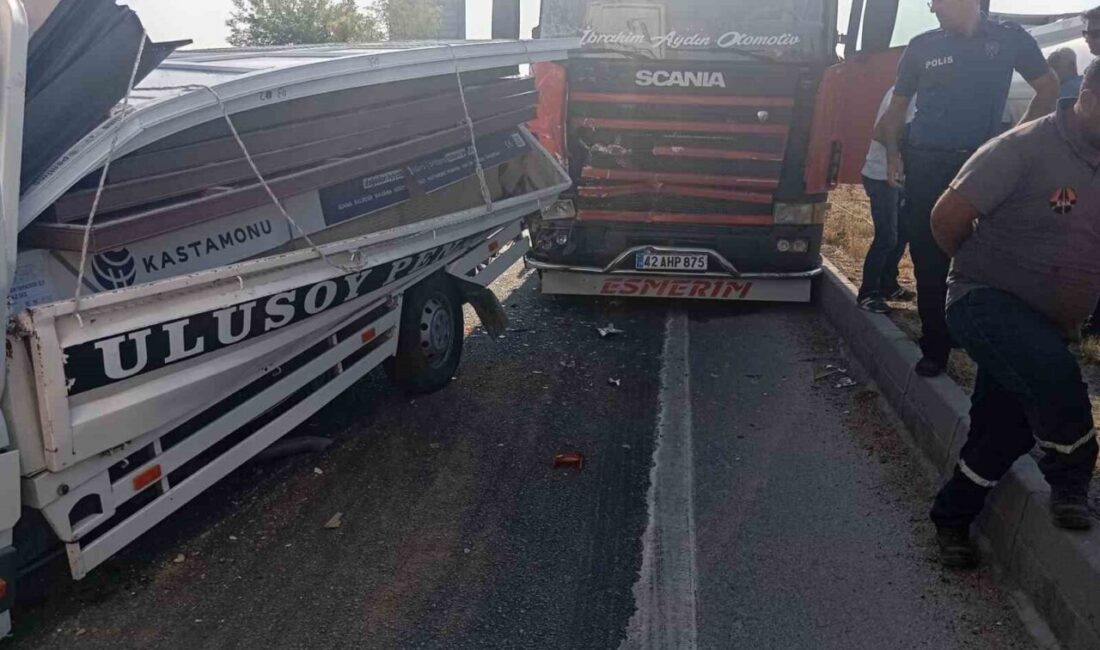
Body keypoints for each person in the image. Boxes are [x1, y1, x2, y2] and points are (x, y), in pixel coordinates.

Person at [926, 59, 1100, 568]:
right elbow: (946, 219)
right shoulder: (1023, 147)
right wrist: (984, 270)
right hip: (983, 300)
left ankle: (952, 519)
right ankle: (1071, 478)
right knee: (1056, 375)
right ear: (1089, 96)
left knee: (1003, 432)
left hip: (1051, 322)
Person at [877, 0, 1060, 378]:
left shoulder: (1009, 38)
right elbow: (896, 108)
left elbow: (1047, 89)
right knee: (928, 253)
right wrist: (894, 154)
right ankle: (935, 345)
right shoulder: (922, 46)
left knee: (980, 255)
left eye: (936, 2)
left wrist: (1009, 143)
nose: (932, 9)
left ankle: (968, 329)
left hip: (981, 166)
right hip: (926, 164)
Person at [857, 87, 916, 314]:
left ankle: (888, 284)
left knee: (902, 233)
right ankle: (868, 294)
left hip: (899, 177)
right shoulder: (906, 93)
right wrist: (898, 156)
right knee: (887, 236)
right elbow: (882, 131)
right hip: (881, 175)